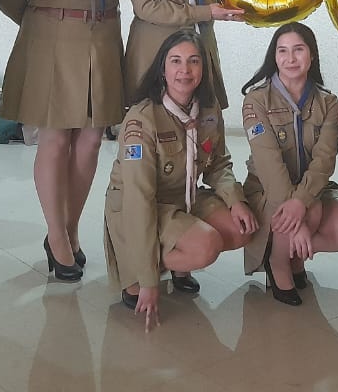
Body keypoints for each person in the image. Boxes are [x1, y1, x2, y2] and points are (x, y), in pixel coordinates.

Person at [0, 0, 131, 281]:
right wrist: (44, 25)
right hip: (51, 41)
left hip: (103, 40)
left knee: (89, 142)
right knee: (54, 140)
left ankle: (71, 228)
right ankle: (56, 235)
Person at [103, 30, 257, 331]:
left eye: (193, 61)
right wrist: (148, 280)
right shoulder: (142, 119)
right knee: (206, 245)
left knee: (242, 229)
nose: (184, 70)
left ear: (203, 68)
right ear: (162, 68)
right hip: (139, 206)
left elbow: (218, 164)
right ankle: (136, 269)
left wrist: (236, 201)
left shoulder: (209, 110)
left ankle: (177, 260)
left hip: (184, 196)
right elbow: (138, 198)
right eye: (175, 61)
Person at [238, 22, 338, 305]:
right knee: (311, 208)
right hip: (267, 189)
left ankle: (291, 254)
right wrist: (297, 209)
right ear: (274, 56)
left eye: (298, 50)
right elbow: (268, 163)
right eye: (282, 51)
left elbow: (324, 160)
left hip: (312, 186)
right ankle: (278, 263)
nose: (290, 58)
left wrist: (301, 200)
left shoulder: (328, 102)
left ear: (312, 55)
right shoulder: (256, 100)